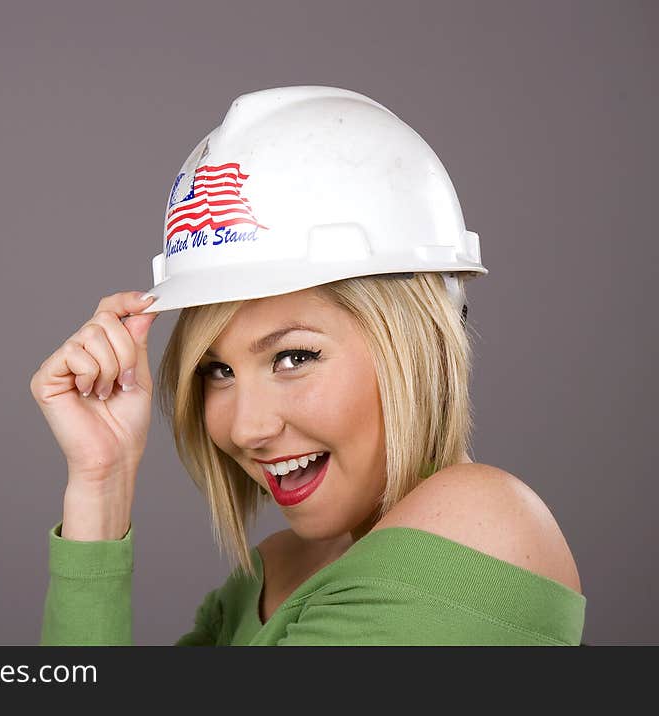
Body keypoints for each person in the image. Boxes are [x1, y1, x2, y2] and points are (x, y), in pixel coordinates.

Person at [31, 86, 586, 645]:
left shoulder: (480, 526)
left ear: (418, 341)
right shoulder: (263, 583)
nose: (247, 428)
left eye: (293, 357)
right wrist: (101, 483)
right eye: (216, 371)